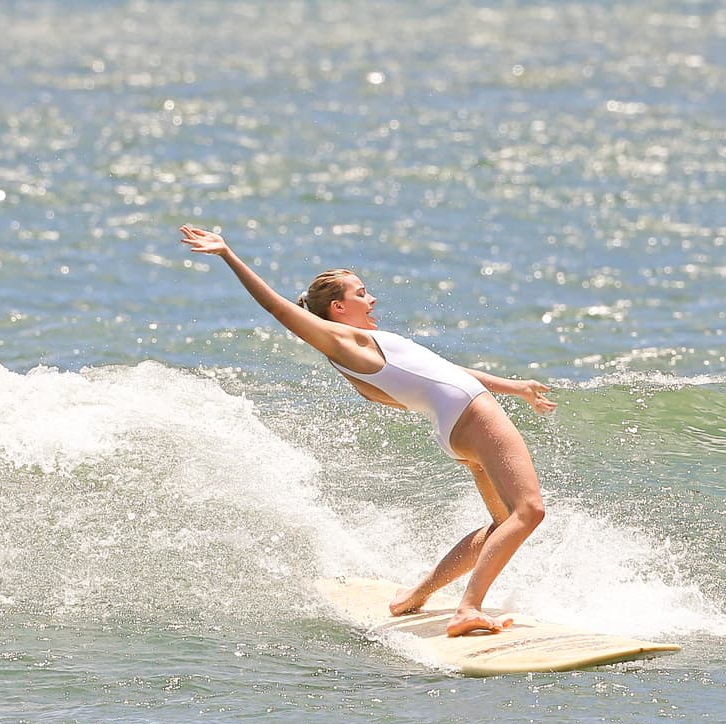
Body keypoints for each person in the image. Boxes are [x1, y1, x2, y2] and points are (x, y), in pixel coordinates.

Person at [179, 224, 554, 637]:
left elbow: (444, 371)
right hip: (472, 415)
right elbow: (277, 308)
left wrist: (514, 387)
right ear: (338, 308)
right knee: (529, 511)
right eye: (361, 293)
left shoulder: (363, 344)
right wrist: (228, 254)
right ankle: (468, 608)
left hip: (457, 427)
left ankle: (415, 595)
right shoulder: (344, 341)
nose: (371, 299)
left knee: (503, 523)